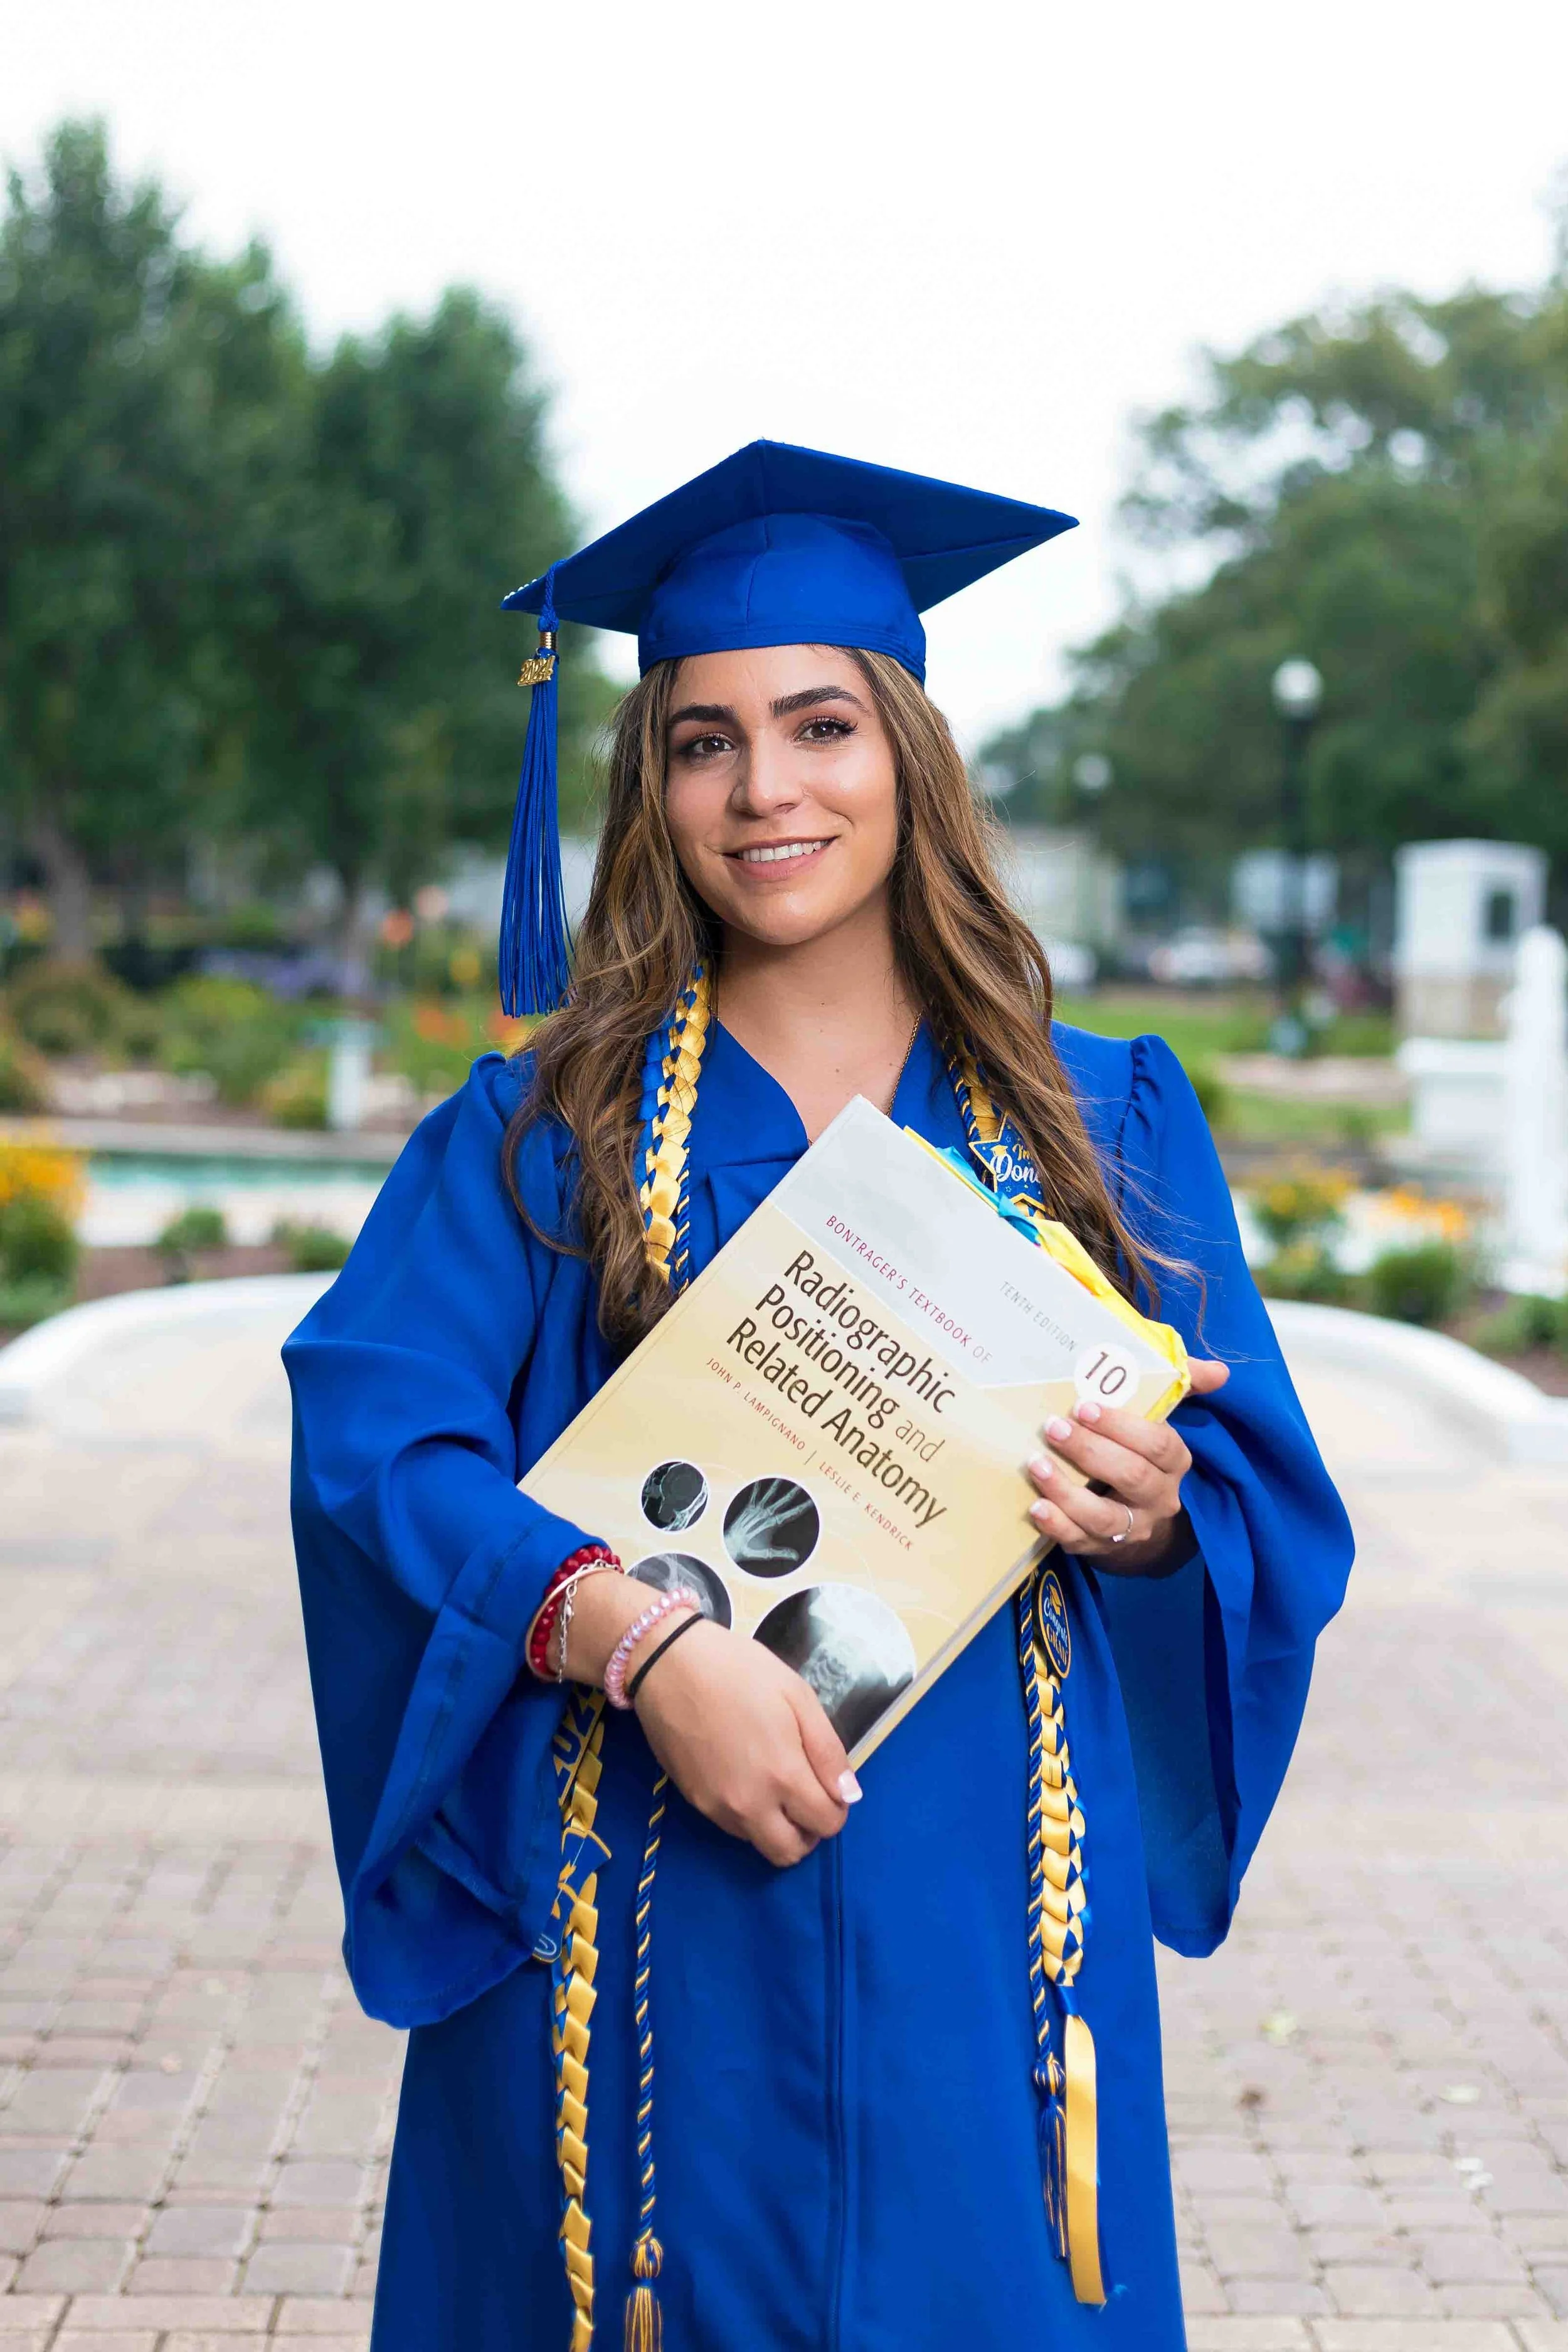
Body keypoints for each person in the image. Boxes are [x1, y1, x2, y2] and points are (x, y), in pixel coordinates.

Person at [285, 440, 1353, 2352]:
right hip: (633, 1924)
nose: (764, 787)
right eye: (702, 740)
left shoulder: (1098, 1119)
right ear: (646, 783)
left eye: (819, 724)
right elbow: (376, 1438)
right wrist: (635, 1641)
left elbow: (1260, 1493)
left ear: (910, 754)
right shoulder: (543, 1141)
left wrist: (1163, 1509)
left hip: (982, 1942)